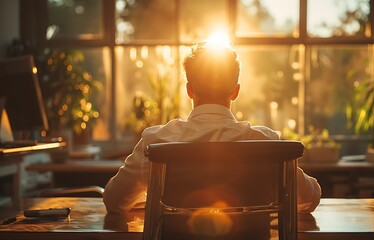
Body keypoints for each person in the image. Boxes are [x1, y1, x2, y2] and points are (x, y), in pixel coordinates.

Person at [103, 42, 321, 214]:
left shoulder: (157, 141)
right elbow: (309, 198)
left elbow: (114, 201)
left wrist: (154, 200)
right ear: (235, 92)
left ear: (189, 90)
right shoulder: (267, 143)